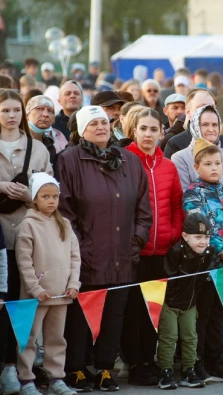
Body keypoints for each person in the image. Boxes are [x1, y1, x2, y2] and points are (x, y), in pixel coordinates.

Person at [55, 105, 151, 392]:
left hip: (124, 253)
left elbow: (143, 209)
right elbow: (64, 208)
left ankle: (106, 368)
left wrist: (136, 241)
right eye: (94, 123)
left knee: (115, 313)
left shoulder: (130, 161)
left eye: (105, 123)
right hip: (86, 253)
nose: (101, 127)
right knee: (81, 313)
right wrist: (80, 245)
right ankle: (76, 369)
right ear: (82, 129)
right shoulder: (70, 160)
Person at [123, 108, 184, 385]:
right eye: (143, 128)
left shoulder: (168, 166)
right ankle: (135, 362)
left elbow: (175, 205)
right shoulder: (125, 161)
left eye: (153, 129)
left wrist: (172, 234)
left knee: (153, 310)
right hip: (135, 250)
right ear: (134, 131)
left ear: (162, 132)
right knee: (133, 310)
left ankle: (149, 360)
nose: (148, 134)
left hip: (162, 251)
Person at [0, 89, 53, 395]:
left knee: (23, 307)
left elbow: (51, 196)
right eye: (5, 110)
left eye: (16, 110)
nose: (11, 115)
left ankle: (18, 368)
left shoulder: (38, 149)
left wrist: (29, 195)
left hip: (29, 239)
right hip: (0, 240)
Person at [182, 139, 223, 383]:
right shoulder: (193, 194)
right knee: (202, 315)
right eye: (208, 163)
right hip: (205, 266)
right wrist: (222, 249)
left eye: (218, 163)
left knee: (220, 315)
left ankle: (216, 360)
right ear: (197, 167)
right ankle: (196, 362)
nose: (214, 168)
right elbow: (199, 225)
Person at [15, 173, 80, 395]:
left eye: (55, 196)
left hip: (61, 294)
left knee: (56, 339)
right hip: (36, 296)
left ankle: (56, 379)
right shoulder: (28, 226)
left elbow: (74, 257)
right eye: (45, 196)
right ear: (34, 199)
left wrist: (74, 284)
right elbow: (23, 263)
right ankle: (26, 380)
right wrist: (36, 289)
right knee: (29, 339)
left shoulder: (65, 224)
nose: (51, 201)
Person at [157, 213, 215, 390]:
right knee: (169, 337)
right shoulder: (175, 252)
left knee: (191, 336)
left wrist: (192, 301)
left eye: (206, 237)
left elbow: (201, 279)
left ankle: (188, 370)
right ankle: (165, 371)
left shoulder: (209, 252)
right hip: (170, 303)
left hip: (190, 303)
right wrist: (173, 301)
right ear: (185, 236)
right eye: (198, 237)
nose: (203, 242)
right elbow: (169, 280)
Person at [172, 104, 223, 191]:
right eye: (205, 125)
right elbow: (185, 195)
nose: (211, 129)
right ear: (195, 127)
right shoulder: (180, 158)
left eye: (215, 125)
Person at [26, 95, 68, 165]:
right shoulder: (18, 140)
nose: (46, 114)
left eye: (50, 111)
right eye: (39, 109)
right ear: (27, 114)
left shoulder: (50, 145)